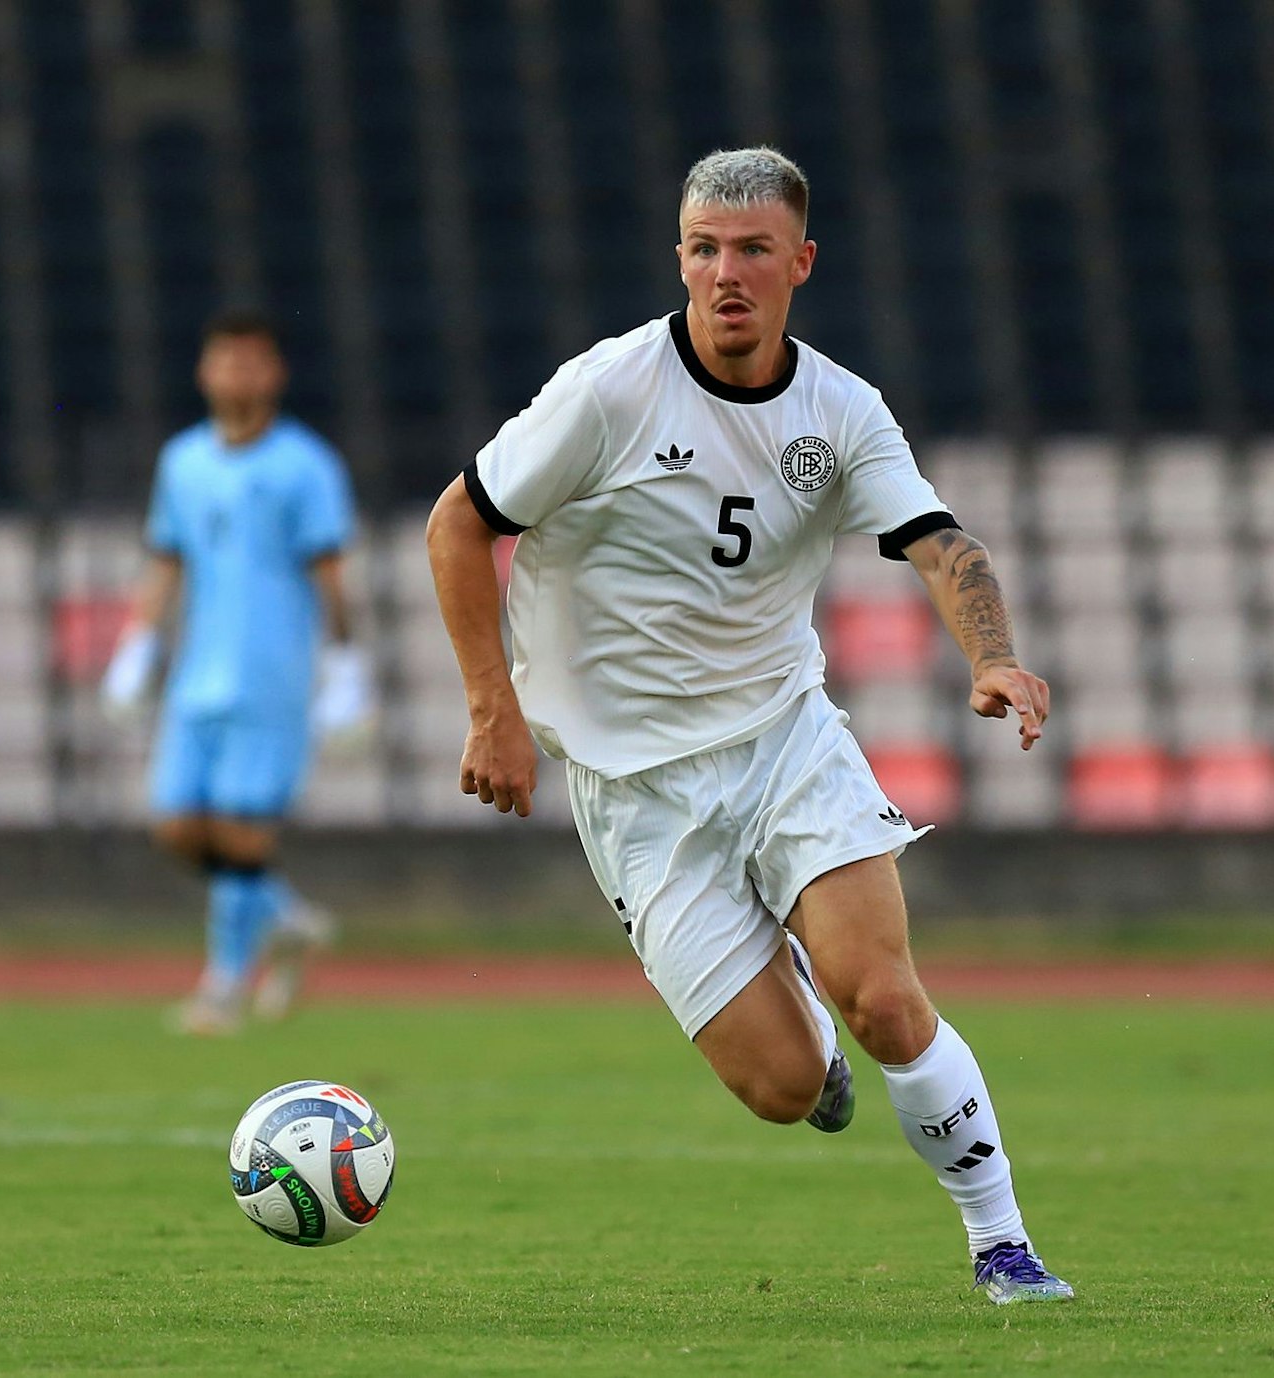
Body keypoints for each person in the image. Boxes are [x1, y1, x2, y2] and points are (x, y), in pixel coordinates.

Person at [425, 148, 1071, 1304]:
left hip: (782, 740)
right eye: (703, 249)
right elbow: (455, 524)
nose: (724, 273)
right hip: (633, 791)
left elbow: (940, 542)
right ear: (678, 257)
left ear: (799, 264)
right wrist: (493, 709)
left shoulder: (840, 409)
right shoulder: (608, 391)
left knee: (882, 990)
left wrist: (992, 656)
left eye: (751, 250)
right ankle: (803, 1031)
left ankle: (1001, 1242)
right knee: (782, 1088)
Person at [103, 308, 366, 1035]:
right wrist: (136, 646)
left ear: (275, 373)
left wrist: (345, 666)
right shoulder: (182, 461)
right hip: (198, 675)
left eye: (253, 361)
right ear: (205, 371)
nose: (238, 375)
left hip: (270, 675)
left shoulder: (305, 465)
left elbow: (332, 570)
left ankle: (222, 986)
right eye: (227, 360)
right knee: (180, 826)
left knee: (242, 832)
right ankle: (287, 918)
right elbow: (167, 557)